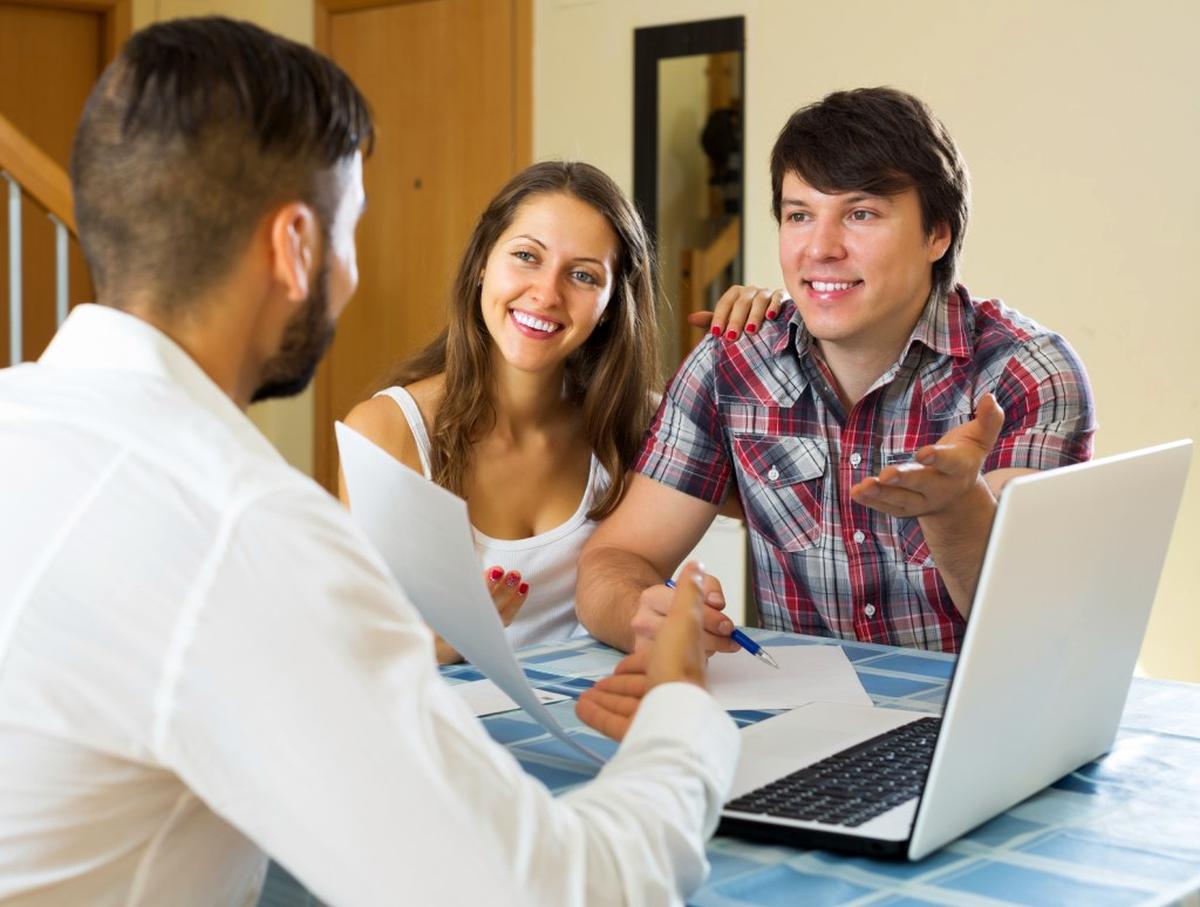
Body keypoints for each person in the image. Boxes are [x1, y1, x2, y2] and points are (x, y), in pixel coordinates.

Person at [0, 17, 739, 906]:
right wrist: (684, 713)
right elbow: (561, 891)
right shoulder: (246, 529)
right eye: (350, 230)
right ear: (296, 248)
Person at [576, 86, 1096, 655]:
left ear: (937, 234)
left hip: (981, 717)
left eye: (861, 214)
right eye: (800, 215)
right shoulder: (734, 364)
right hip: (805, 716)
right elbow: (615, 562)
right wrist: (639, 613)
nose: (820, 248)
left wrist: (954, 505)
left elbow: (1029, 622)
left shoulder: (1027, 373)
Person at [342, 162, 767, 661]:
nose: (546, 294)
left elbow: (783, 502)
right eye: (526, 256)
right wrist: (437, 646)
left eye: (583, 275)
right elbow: (354, 649)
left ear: (611, 302)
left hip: (601, 724)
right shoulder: (387, 432)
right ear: (483, 261)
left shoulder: (647, 426)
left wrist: (777, 340)